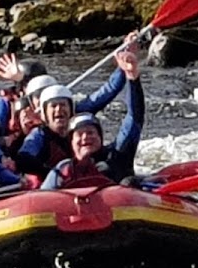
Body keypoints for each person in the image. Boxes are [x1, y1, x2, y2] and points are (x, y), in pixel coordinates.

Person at [15, 38, 138, 177]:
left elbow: (108, 92)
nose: (58, 109)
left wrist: (126, 69)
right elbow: (23, 160)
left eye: (62, 104)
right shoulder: (37, 134)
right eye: (52, 105)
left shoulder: (79, 120)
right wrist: (55, 175)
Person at [40, 48, 144, 190]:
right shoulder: (63, 169)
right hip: (76, 209)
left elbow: (134, 118)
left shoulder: (116, 155)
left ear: (100, 137)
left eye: (90, 132)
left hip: (121, 207)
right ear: (71, 142)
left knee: (129, 183)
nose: (85, 138)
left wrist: (133, 79)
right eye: (80, 134)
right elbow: (43, 196)